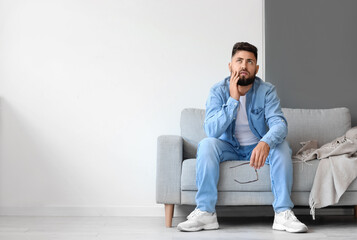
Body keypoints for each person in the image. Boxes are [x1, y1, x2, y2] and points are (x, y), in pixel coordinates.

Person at [177, 42, 308, 233]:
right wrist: (233, 100)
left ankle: (283, 214)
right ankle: (206, 213)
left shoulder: (267, 90)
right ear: (230, 66)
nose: (244, 66)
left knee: (281, 147)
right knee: (206, 145)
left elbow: (279, 124)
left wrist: (265, 142)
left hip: (258, 147)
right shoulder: (218, 90)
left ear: (256, 68)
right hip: (228, 147)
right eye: (239, 61)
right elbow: (211, 130)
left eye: (250, 61)